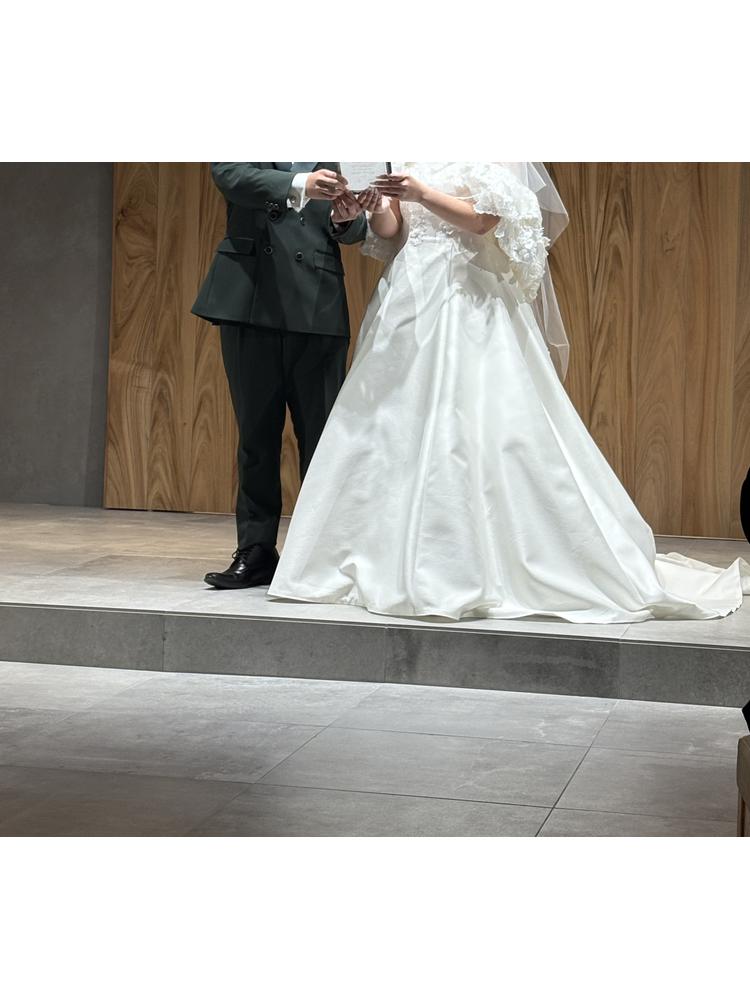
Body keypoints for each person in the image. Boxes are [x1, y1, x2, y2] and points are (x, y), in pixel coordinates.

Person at [267, 161, 750, 623]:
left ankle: (475, 562)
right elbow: (395, 230)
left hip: (469, 293)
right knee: (391, 424)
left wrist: (423, 193)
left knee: (477, 423)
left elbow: (485, 220)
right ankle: (378, 555)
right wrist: (374, 208)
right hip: (410, 292)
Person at [192, 162, 367, 589]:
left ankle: (320, 551)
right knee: (256, 435)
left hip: (317, 299)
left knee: (322, 437)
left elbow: (359, 227)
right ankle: (255, 550)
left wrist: (347, 221)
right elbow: (229, 174)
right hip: (250, 294)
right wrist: (300, 183)